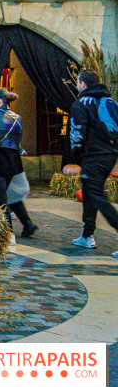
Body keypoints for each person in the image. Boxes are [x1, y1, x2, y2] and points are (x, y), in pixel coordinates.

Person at [69, 69, 118, 256]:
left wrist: (75, 156)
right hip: (109, 156)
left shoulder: (81, 103)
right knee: (90, 193)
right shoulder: (112, 102)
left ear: (83, 84)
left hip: (93, 157)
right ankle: (87, 235)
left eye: (77, 83)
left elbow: (77, 133)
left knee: (97, 197)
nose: (76, 86)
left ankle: (88, 234)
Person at [0, 89, 37, 237]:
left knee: (1, 196)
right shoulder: (18, 118)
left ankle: (7, 231)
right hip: (13, 160)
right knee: (8, 194)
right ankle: (28, 224)